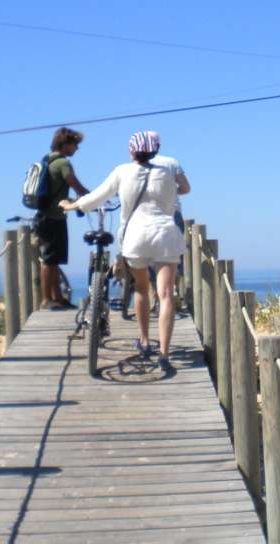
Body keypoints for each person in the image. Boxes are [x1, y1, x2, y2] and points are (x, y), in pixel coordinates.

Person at [61, 131, 191, 372]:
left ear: (132, 151)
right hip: (165, 235)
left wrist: (72, 205)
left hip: (135, 238)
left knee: (142, 288)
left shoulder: (122, 171)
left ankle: (143, 341)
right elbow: (186, 189)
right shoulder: (168, 170)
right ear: (154, 150)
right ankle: (164, 354)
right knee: (166, 294)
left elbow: (96, 198)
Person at [37, 127, 90, 310]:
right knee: (49, 260)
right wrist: (94, 198)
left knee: (53, 260)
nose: (77, 148)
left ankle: (57, 297)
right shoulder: (63, 164)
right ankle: (46, 299)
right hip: (53, 217)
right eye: (75, 145)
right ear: (66, 144)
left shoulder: (48, 161)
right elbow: (76, 185)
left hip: (45, 217)